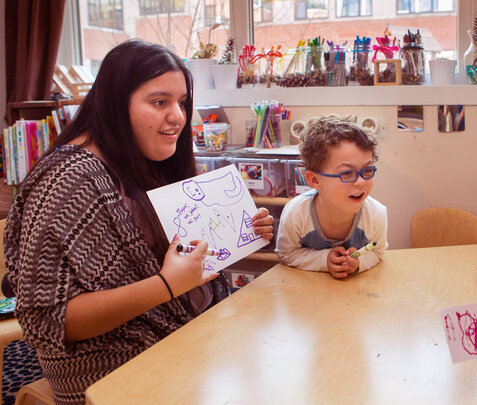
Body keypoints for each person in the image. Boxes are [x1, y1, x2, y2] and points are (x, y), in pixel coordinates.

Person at [3, 40, 274, 405]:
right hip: (114, 372)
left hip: (190, 339)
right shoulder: (69, 179)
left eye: (181, 102)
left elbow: (180, 256)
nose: (178, 116)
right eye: (159, 102)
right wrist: (166, 284)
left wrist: (239, 232)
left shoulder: (142, 160)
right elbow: (45, 319)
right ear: (116, 103)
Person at [275, 116, 387, 279]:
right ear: (314, 180)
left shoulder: (376, 214)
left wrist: (359, 262)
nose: (361, 181)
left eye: (367, 170)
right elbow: (286, 254)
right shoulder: (296, 213)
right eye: (347, 173)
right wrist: (323, 260)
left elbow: (377, 252)